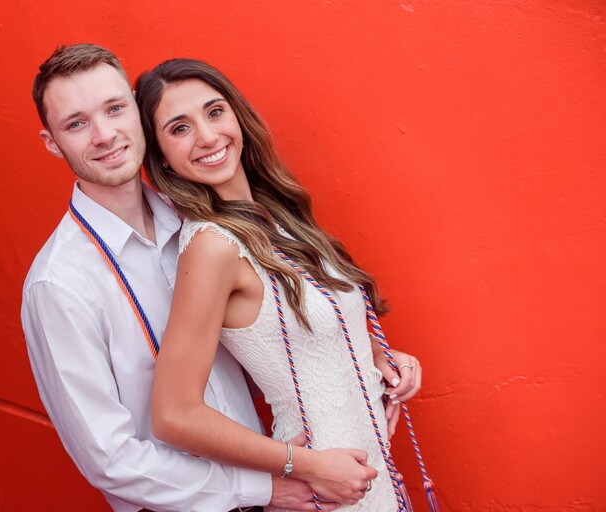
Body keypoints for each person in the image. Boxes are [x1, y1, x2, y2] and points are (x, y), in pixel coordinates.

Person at [21, 44, 420, 512]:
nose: (105, 135)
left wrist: (367, 356)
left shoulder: (202, 217)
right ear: (52, 141)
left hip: (305, 478)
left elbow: (268, 329)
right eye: (76, 123)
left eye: (114, 109)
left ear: (136, 114)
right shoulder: (59, 285)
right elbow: (110, 460)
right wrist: (266, 485)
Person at [135, 59, 422, 511]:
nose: (207, 137)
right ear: (161, 156)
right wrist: (304, 465)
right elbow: (174, 414)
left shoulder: (278, 218)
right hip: (322, 484)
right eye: (180, 128)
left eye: (214, 112)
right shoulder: (212, 246)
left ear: (237, 116)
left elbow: (300, 333)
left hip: (365, 474)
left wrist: (380, 359)